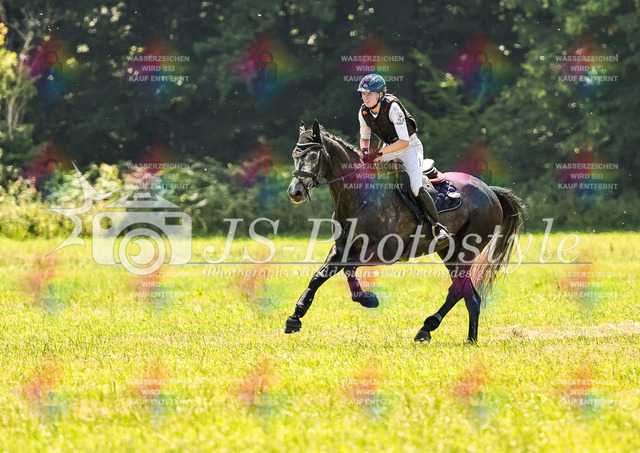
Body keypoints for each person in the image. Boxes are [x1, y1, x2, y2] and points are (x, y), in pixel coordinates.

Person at [357, 73, 450, 244]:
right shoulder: (363, 112)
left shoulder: (393, 108)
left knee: (415, 187)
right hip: (389, 148)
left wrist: (378, 153)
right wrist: (364, 152)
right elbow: (364, 137)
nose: (365, 97)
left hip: (409, 148)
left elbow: (403, 141)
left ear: (381, 94)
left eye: (369, 93)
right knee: (366, 177)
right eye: (363, 93)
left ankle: (437, 227)